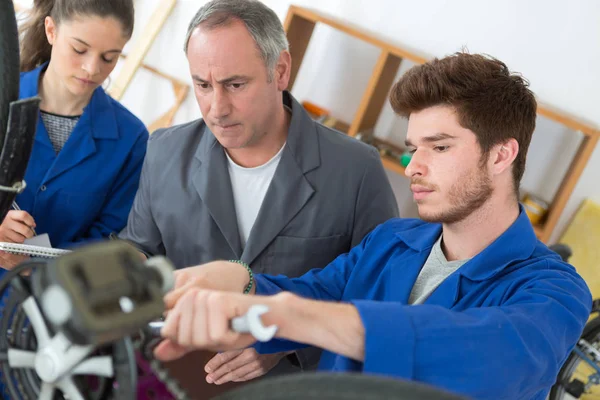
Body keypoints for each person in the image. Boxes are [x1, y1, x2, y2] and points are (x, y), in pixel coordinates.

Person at [152, 52, 592, 400]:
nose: (412, 166)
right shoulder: (392, 240)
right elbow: (317, 292)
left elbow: (491, 359)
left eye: (438, 147)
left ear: (501, 155)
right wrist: (237, 280)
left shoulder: (555, 292)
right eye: (411, 148)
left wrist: (288, 317)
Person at [119, 0, 398, 382]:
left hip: (294, 386)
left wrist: (282, 340)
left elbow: (381, 296)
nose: (217, 108)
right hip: (179, 377)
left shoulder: (358, 169)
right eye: (202, 85)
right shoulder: (164, 150)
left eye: (235, 85)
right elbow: (140, 248)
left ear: (280, 70)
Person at [0, 0, 148, 271]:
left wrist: (35, 260)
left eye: (109, 57)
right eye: (79, 50)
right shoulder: (3, 101)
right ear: (51, 30)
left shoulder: (131, 138)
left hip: (59, 301)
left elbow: (114, 240)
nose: (92, 69)